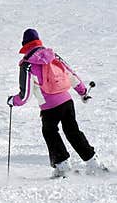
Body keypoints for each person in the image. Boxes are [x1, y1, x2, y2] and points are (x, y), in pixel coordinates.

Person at [7, 29, 104, 177]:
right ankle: (93, 163)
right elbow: (71, 74)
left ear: (24, 44)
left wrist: (13, 101)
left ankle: (63, 166)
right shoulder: (53, 55)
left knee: (50, 132)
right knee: (73, 132)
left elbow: (25, 95)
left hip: (49, 107)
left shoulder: (27, 65)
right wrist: (83, 92)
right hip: (67, 101)